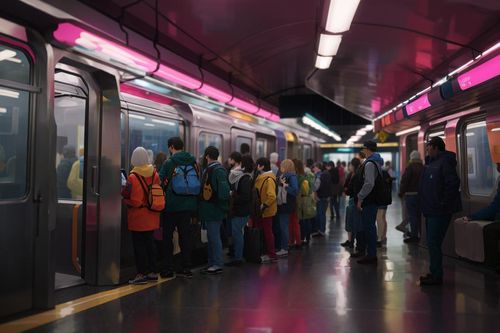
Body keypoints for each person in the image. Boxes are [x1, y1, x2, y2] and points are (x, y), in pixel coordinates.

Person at [419, 136, 461, 286]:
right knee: (432, 243)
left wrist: (443, 202)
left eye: (429, 146)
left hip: (439, 211)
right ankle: (434, 272)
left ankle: (437, 276)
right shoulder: (431, 163)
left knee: (433, 242)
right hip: (430, 210)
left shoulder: (444, 163)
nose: (427, 149)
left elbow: (453, 183)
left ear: (436, 148)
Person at [159, 137, 198, 279]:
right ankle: (186, 267)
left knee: (167, 237)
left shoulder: (169, 162)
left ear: (171, 147)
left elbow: (160, 180)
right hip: (188, 206)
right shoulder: (193, 161)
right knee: (185, 236)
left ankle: (168, 268)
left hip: (171, 206)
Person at [122, 147, 161, 284]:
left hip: (138, 216)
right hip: (152, 214)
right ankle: (153, 271)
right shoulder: (154, 174)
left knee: (139, 246)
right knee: (150, 244)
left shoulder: (132, 177)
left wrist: (124, 196)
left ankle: (141, 274)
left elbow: (135, 200)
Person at [199, 146, 231, 274]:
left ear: (207, 156)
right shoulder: (215, 170)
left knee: (214, 237)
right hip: (210, 209)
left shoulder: (216, 170)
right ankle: (211, 262)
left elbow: (223, 193)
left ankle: (217, 263)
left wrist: (221, 206)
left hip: (213, 210)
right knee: (211, 237)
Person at [354, 140, 384, 264]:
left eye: (363, 149)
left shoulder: (370, 164)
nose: (362, 151)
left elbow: (369, 183)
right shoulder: (376, 162)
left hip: (369, 200)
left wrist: (360, 197)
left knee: (369, 227)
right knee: (370, 226)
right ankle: (371, 254)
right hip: (373, 199)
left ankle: (371, 255)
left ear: (368, 149)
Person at [227, 153, 253, 266]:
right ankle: (237, 255)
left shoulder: (244, 178)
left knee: (237, 234)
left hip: (241, 211)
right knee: (237, 233)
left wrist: (233, 196)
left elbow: (245, 196)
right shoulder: (245, 177)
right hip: (241, 210)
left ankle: (238, 258)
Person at [254, 157, 278, 263]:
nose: (256, 167)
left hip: (266, 210)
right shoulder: (265, 177)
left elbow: (272, 196)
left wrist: (264, 205)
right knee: (265, 232)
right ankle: (266, 252)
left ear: (262, 166)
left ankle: (272, 254)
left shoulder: (268, 179)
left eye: (257, 165)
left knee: (268, 232)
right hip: (263, 210)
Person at [399, 151, 424, 243]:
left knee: (412, 216)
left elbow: (404, 181)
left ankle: (414, 236)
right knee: (419, 216)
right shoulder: (423, 167)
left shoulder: (410, 167)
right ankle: (421, 235)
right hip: (421, 196)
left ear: (411, 158)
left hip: (410, 195)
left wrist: (401, 193)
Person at [276, 159, 299, 257]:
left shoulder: (291, 176)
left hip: (286, 204)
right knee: (283, 226)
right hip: (284, 203)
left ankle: (284, 248)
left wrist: (285, 186)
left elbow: (295, 190)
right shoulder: (286, 176)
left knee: (284, 226)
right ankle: (284, 246)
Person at [341, 158, 362, 249]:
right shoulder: (350, 175)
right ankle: (350, 240)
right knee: (349, 221)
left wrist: (347, 190)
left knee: (355, 222)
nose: (349, 167)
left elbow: (350, 189)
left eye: (350, 165)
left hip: (355, 200)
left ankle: (355, 242)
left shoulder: (357, 175)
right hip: (351, 200)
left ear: (353, 165)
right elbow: (345, 186)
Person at [295, 159, 315, 245]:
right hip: (309, 198)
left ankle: (302, 238)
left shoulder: (300, 177)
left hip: (302, 199)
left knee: (302, 220)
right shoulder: (310, 175)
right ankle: (307, 237)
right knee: (308, 219)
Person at [376, 161, 393, 248]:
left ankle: (379, 239)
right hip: (385, 198)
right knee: (382, 218)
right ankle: (383, 236)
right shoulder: (385, 173)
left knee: (379, 218)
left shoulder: (377, 174)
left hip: (379, 199)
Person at [312, 162, 332, 237]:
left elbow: (315, 187)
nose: (313, 169)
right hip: (325, 197)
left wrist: (314, 192)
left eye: (314, 167)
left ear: (318, 167)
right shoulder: (326, 173)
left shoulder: (319, 175)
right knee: (322, 214)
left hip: (320, 197)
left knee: (320, 214)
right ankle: (321, 230)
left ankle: (320, 230)